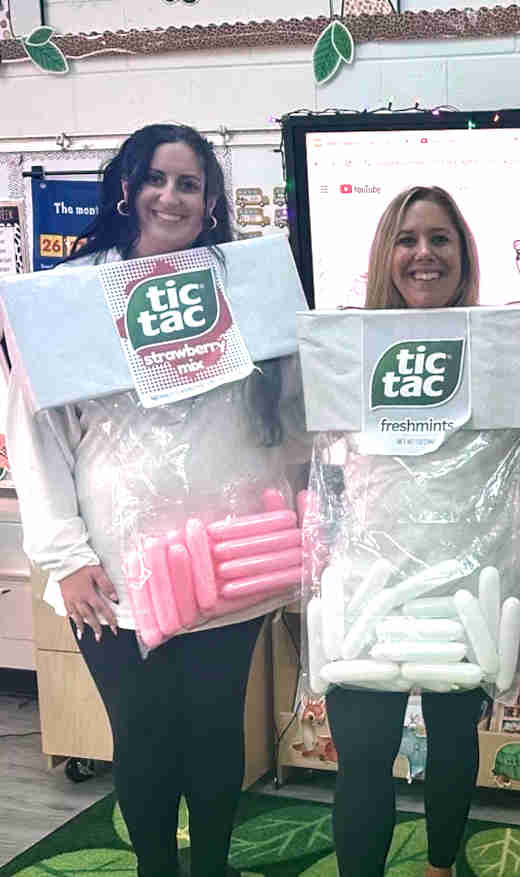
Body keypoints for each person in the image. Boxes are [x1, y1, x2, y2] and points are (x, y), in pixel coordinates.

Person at [7, 124, 306, 877]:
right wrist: (64, 557)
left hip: (230, 566)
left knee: (214, 733)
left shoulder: (242, 286)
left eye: (190, 184)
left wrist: (307, 513)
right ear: (126, 187)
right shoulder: (72, 298)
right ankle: (153, 869)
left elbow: (289, 412)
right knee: (143, 736)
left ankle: (209, 864)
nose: (171, 197)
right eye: (158, 179)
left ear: (210, 204)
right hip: (115, 573)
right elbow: (35, 432)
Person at [323, 186, 489, 877]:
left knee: (453, 745)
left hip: (461, 585)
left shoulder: (494, 349)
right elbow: (313, 442)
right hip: (371, 583)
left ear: (463, 254)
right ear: (385, 253)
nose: (425, 254)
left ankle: (439, 867)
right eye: (408, 238)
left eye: (441, 239)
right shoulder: (349, 346)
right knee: (362, 755)